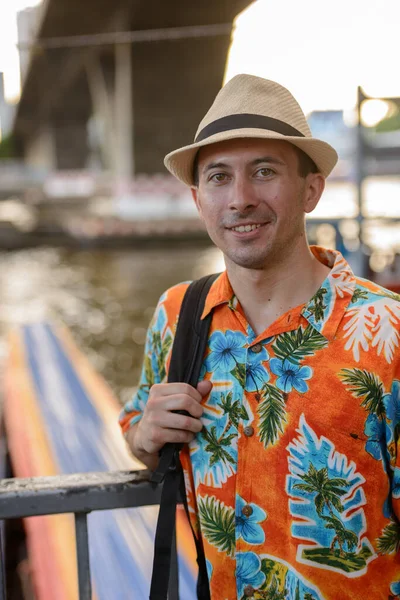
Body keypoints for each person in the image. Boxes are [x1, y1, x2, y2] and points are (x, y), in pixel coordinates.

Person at [119, 74, 400, 600]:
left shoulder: (385, 333)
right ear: (199, 198)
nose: (240, 198)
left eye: (264, 172)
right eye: (219, 177)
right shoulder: (179, 314)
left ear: (311, 189)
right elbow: (138, 423)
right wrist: (144, 434)